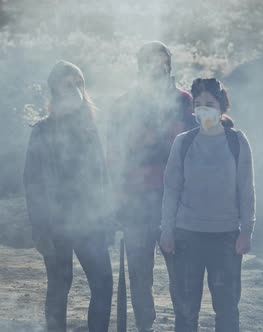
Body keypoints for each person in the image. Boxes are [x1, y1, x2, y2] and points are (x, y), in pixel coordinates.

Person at [107, 41, 194, 332]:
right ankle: (146, 326)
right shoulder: (123, 106)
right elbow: (115, 157)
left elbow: (195, 152)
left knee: (181, 274)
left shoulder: (185, 102)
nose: (156, 68)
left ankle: (185, 325)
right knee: (139, 275)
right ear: (139, 67)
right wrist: (117, 201)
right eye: (149, 63)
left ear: (169, 66)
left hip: (176, 202)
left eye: (162, 63)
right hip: (136, 202)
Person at [159, 78, 255, 332]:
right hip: (186, 236)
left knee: (226, 309)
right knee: (186, 309)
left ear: (221, 106)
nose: (203, 109)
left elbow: (246, 189)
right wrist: (166, 231)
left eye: (209, 104)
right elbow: (171, 189)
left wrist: (246, 230)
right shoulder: (183, 142)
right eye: (198, 104)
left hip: (225, 237)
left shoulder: (237, 141)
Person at [23, 60, 113, 332]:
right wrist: (40, 230)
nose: (75, 90)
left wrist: (107, 218)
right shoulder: (42, 131)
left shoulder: (89, 130)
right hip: (56, 224)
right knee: (60, 287)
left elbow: (102, 176)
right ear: (55, 90)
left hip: (90, 223)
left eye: (79, 84)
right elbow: (33, 184)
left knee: (103, 284)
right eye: (68, 84)